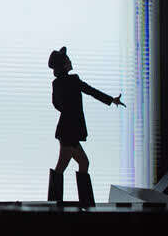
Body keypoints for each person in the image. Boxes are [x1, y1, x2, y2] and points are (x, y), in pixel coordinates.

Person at [48, 46, 125, 207]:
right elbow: (91, 91)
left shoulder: (57, 83)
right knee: (73, 164)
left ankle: (73, 203)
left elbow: (57, 105)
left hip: (66, 130)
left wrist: (111, 100)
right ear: (64, 65)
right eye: (67, 59)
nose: (70, 61)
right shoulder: (73, 80)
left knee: (78, 164)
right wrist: (111, 100)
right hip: (69, 131)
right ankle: (77, 203)